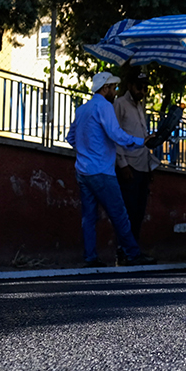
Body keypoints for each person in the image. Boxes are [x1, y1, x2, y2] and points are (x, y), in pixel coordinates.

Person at [66, 71, 156, 268]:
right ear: (105, 88)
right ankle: (133, 254)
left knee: (89, 216)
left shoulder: (82, 109)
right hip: (102, 171)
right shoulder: (105, 106)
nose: (115, 91)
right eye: (113, 88)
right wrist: (141, 141)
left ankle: (90, 257)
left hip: (83, 170)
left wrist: (86, 150)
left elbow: (70, 138)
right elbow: (116, 135)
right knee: (119, 214)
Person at [113, 69, 159, 252]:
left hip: (142, 166)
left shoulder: (139, 107)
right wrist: (122, 164)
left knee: (139, 212)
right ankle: (124, 250)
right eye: (140, 87)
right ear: (130, 86)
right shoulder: (120, 104)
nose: (143, 91)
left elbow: (142, 137)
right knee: (128, 211)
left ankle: (134, 249)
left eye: (145, 88)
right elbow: (115, 136)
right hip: (129, 166)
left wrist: (150, 165)